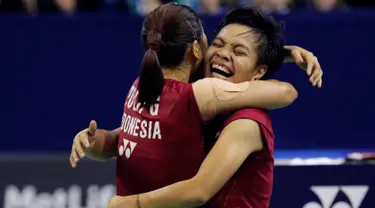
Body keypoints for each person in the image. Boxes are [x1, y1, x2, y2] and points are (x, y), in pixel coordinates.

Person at [106, 8, 323, 208]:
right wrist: (285, 53)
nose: (223, 53)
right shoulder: (198, 95)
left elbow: (199, 191)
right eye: (218, 44)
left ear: (259, 72)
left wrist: (128, 204)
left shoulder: (246, 122)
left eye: (238, 51)